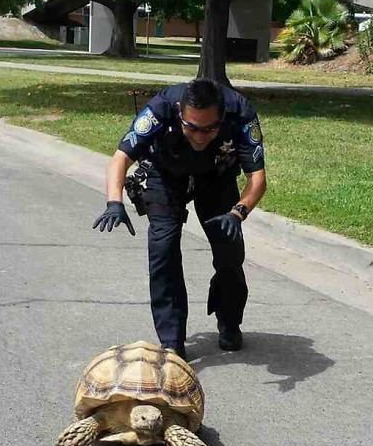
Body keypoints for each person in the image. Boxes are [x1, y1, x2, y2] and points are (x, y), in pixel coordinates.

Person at [93, 78, 267, 361]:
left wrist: (238, 213)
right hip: (166, 176)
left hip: (218, 177)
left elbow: (257, 179)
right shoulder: (160, 108)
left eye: (209, 129)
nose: (200, 136)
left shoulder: (241, 112)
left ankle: (230, 321)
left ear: (222, 116)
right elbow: (121, 157)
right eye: (192, 127)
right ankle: (172, 341)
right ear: (179, 112)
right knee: (163, 250)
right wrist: (114, 202)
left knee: (229, 253)